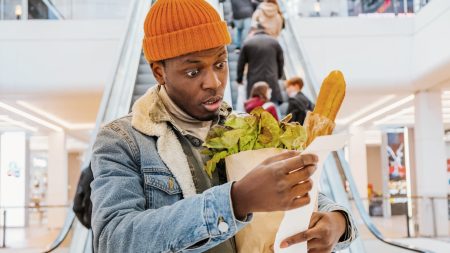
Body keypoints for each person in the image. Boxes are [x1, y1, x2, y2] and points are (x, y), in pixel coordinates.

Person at [90, 0, 358, 252]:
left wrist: (337, 222)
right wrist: (235, 201)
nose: (214, 82)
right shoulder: (122, 141)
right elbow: (112, 239)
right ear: (159, 72)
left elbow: (295, 189)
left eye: (220, 64)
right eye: (194, 72)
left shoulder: (248, 126)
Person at [237, 24, 284, 105]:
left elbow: (240, 63)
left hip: (254, 82)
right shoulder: (275, 42)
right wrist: (279, 75)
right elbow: (281, 61)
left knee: (255, 110)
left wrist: (239, 79)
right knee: (273, 108)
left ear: (252, 32)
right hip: (272, 80)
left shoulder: (248, 43)